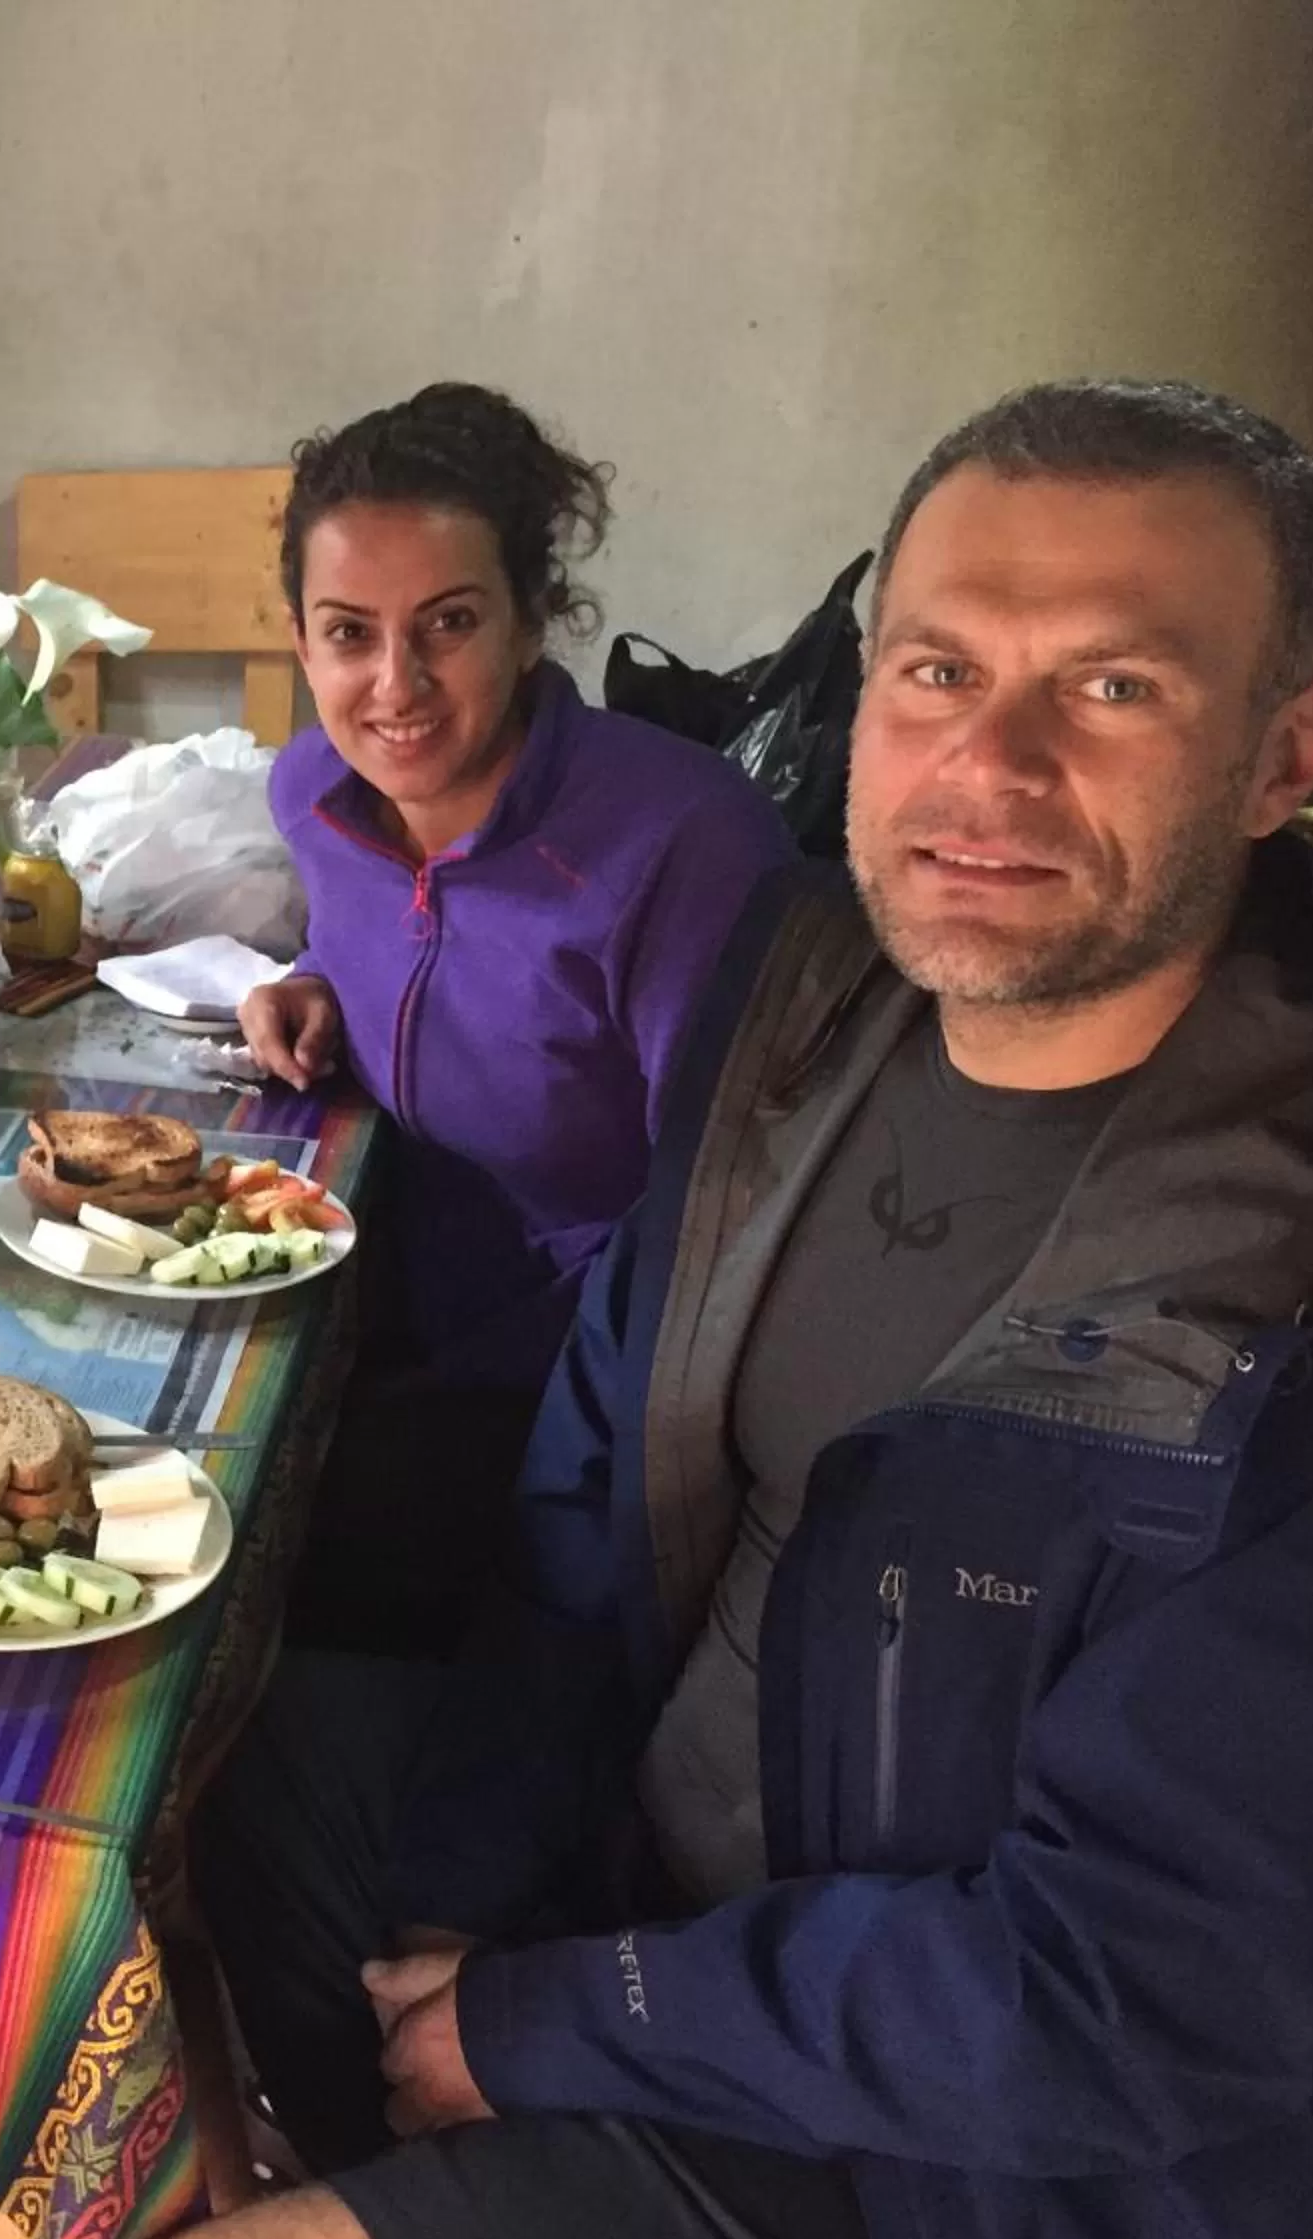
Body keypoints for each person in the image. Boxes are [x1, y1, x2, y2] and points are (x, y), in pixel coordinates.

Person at [188, 375, 1313, 2239]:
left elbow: (1121, 1998)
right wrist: (464, 1926)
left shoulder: (1277, 1286)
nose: (997, 766)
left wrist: (564, 2019)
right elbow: (585, 1518)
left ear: (1285, 759)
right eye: (940, 673)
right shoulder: (814, 1007)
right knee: (198, 1762)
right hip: (668, 1885)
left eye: (1114, 688)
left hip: (938, 2141)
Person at [240, 384, 793, 1648]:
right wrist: (322, 982)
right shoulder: (314, 790)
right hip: (381, 1262)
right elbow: (390, 933)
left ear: (533, 622)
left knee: (282, 1559)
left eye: (448, 623)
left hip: (579, 1355)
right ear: (301, 637)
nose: (395, 685)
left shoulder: (679, 846)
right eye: (347, 633)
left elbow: (724, 1213)